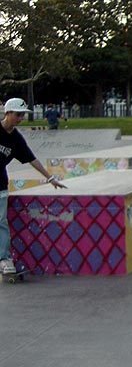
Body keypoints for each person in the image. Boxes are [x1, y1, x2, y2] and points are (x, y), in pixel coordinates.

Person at [0, 98, 67, 275]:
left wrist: (50, 178)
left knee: (1, 222)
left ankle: (4, 259)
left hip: (0, 185)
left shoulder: (16, 139)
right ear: (8, 113)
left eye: (22, 115)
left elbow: (32, 159)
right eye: (18, 115)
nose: (20, 118)